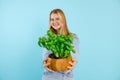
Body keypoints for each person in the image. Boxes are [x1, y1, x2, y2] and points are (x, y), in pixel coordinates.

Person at [42, 9, 79, 80]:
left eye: (57, 19)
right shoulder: (47, 38)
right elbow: (45, 56)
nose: (54, 22)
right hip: (49, 76)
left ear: (63, 20)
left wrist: (74, 63)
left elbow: (74, 57)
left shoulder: (73, 38)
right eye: (52, 19)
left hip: (65, 77)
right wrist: (45, 63)